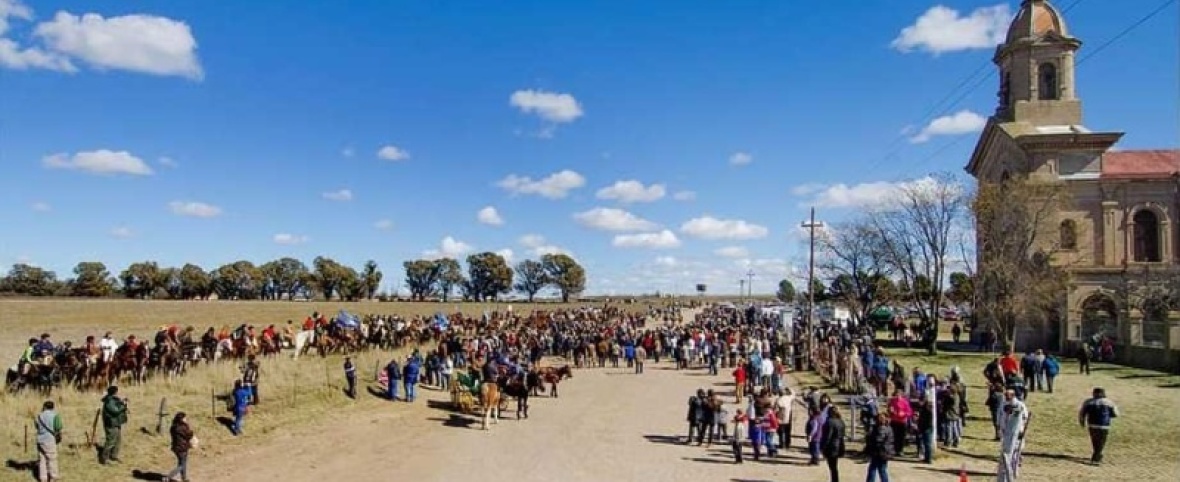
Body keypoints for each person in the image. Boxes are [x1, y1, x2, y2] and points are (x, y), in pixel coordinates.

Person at [1078, 387, 1119, 465]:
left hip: (1092, 424)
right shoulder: (1109, 402)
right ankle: (1097, 457)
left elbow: (1082, 413)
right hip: (1104, 425)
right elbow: (1116, 413)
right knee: (1102, 441)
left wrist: (1082, 421)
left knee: (1095, 441)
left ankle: (1097, 454)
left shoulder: (1088, 402)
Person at [997, 389, 1030, 482]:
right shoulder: (1003, 404)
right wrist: (999, 426)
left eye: (1008, 395)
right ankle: (1005, 471)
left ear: (1012, 395)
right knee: (1005, 453)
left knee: (1015, 453)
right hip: (1005, 432)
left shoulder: (1020, 405)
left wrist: (1021, 430)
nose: (1006, 397)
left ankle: (1013, 471)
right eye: (1005, 395)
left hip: (1016, 433)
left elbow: (1024, 417)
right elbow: (1000, 415)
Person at [34, 400, 62, 482]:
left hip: (40, 440)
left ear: (44, 407)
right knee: (52, 459)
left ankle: (43, 478)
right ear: (53, 407)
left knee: (42, 459)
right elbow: (59, 427)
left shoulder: (39, 416)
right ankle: (53, 477)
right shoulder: (55, 416)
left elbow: (36, 426)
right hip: (49, 440)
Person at [865, 413, 894, 482]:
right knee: (881, 469)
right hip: (885, 451)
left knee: (874, 468)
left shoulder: (882, 428)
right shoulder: (888, 427)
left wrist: (870, 438)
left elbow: (878, 440)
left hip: (880, 452)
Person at [166, 412, 194, 482]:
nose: (186, 419)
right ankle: (169, 477)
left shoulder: (173, 426)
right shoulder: (182, 427)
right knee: (182, 465)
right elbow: (189, 435)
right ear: (181, 419)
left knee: (182, 463)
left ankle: (184, 478)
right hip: (182, 447)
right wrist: (190, 430)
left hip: (176, 447)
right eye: (185, 418)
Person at [821, 406, 846, 482]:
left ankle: (834, 480)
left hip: (831, 446)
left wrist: (823, 447)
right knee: (834, 466)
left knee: (832, 467)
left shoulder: (829, 422)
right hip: (839, 444)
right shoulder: (841, 421)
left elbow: (828, 436)